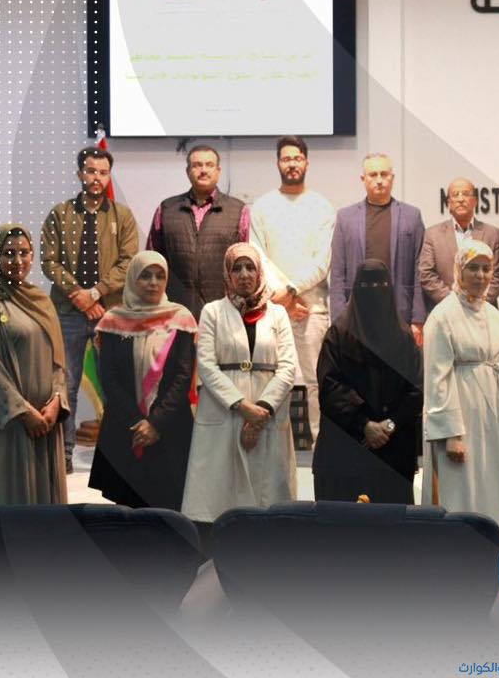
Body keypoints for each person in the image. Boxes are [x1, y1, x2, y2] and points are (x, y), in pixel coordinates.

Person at [181, 243, 297, 523]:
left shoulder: (278, 314)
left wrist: (260, 412)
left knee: (268, 498)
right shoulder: (212, 312)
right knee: (221, 497)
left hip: (268, 412)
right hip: (225, 411)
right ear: (228, 274)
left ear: (259, 273)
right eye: (237, 268)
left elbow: (288, 367)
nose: (244, 274)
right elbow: (206, 365)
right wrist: (243, 406)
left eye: (250, 267)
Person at [40, 146, 139, 471]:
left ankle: (115, 458)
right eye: (91, 171)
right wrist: (78, 295)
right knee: (64, 385)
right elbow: (49, 261)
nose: (97, 178)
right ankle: (64, 456)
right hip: (67, 312)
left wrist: (95, 294)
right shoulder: (60, 214)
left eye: (103, 172)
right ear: (80, 173)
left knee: (115, 385)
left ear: (109, 176)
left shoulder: (122, 216)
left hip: (108, 312)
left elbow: (128, 262)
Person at [89, 251, 198, 510]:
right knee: (127, 511)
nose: (153, 283)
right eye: (145, 276)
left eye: (160, 276)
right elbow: (109, 378)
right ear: (132, 279)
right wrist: (137, 422)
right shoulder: (113, 321)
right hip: (125, 427)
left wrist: (155, 423)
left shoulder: (181, 318)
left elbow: (183, 377)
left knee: (169, 509)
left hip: (169, 427)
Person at [313, 259, 424, 504]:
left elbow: (416, 390)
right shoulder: (338, 336)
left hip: (393, 455)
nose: (374, 291)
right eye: (367, 286)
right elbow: (330, 387)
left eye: (381, 285)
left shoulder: (403, 338)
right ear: (356, 288)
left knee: (390, 526)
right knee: (344, 526)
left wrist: (390, 424)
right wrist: (364, 424)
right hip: (344, 454)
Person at [421, 241, 499, 530]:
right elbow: (437, 378)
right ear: (459, 269)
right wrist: (452, 433)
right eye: (473, 268)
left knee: (490, 489)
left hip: (490, 420)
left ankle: (491, 549)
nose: (480, 275)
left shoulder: (495, 315)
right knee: (459, 491)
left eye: (486, 268)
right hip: (459, 422)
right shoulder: (442, 316)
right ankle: (459, 552)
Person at [250, 136, 336, 441]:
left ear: (306, 162)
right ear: (278, 164)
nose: (292, 164)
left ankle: (322, 450)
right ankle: (272, 449)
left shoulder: (322, 207)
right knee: (272, 383)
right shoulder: (262, 207)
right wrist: (284, 298)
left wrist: (292, 289)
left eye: (297, 158)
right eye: (286, 159)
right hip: (273, 309)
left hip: (313, 310)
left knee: (317, 383)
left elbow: (322, 261)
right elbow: (257, 255)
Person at [0, 224, 69, 504]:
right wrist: (23, 411)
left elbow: (58, 358)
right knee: (11, 497)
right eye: (9, 253)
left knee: (45, 506)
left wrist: (56, 400)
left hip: (46, 421)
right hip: (10, 423)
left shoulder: (42, 301)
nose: (17, 260)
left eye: (24, 252)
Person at [329, 153, 426, 343]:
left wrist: (418, 319)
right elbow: (338, 273)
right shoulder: (345, 218)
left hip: (400, 313)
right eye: (373, 175)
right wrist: (339, 320)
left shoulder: (412, 216)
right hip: (356, 314)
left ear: (392, 177)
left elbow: (419, 270)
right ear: (363, 179)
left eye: (384, 174)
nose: (379, 180)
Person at [147, 145, 251, 319]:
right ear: (188, 171)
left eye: (209, 165)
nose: (203, 170)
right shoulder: (167, 209)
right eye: (197, 165)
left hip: (223, 311)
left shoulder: (238, 210)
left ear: (218, 171)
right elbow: (152, 260)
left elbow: (246, 264)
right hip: (175, 310)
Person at [419, 178, 499, 311]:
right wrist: (454, 303)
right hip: (445, 311)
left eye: (465, 194)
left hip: (483, 311)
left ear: (475, 201)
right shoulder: (432, 234)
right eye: (455, 195)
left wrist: (476, 302)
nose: (460, 199)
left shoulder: (493, 234)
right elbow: (426, 274)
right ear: (448, 203)